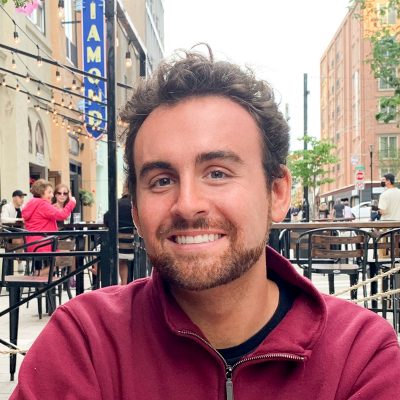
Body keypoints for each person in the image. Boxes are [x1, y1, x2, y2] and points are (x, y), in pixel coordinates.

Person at [12, 48, 400, 399]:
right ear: (137, 210)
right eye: (161, 180)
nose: (187, 205)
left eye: (217, 173)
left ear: (278, 192)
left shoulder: (359, 354)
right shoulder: (85, 341)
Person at [21, 179, 76, 275]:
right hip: (43, 243)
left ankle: (44, 279)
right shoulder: (43, 204)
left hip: (31, 244)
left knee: (65, 252)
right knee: (68, 256)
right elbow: (62, 215)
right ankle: (40, 273)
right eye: (49, 192)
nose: (52, 195)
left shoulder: (32, 203)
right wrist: (71, 203)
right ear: (41, 192)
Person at [103, 187, 135, 285]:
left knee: (98, 249)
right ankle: (134, 283)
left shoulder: (117, 203)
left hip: (120, 249)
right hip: (136, 248)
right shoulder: (137, 204)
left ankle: (124, 284)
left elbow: (106, 219)